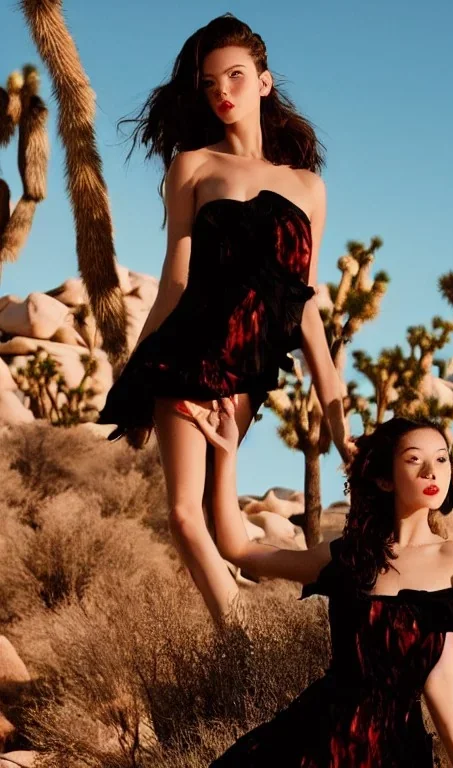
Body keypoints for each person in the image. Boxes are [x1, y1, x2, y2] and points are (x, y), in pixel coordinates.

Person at [97, 14, 353, 622]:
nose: (223, 92)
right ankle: (238, 645)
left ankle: (296, 610)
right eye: (210, 83)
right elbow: (176, 280)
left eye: (236, 77)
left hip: (249, 362)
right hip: (186, 350)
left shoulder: (307, 187)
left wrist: (339, 417)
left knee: (225, 518)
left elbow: (304, 303)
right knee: (187, 517)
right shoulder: (191, 167)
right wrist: (136, 374)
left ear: (264, 83)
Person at [183, 398, 453, 768]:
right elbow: (236, 548)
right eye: (415, 459)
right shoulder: (348, 557)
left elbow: (442, 674)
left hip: (396, 751)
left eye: (442, 458)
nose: (432, 471)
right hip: (322, 741)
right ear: (384, 479)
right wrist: (226, 455)